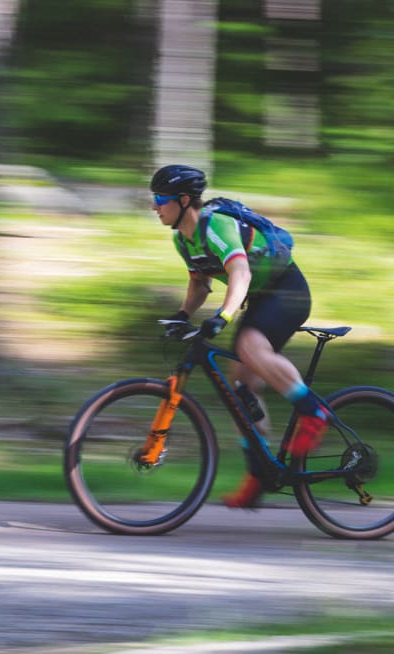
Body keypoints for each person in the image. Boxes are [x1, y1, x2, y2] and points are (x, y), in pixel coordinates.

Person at [150, 164, 327, 508]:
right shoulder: (182, 240)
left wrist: (224, 316)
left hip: (286, 291)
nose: (154, 206)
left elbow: (240, 273)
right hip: (261, 298)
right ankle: (259, 474)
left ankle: (313, 412)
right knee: (240, 390)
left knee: (249, 347)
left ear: (184, 201)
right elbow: (200, 282)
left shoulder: (215, 226)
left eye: (160, 199)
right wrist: (183, 314)